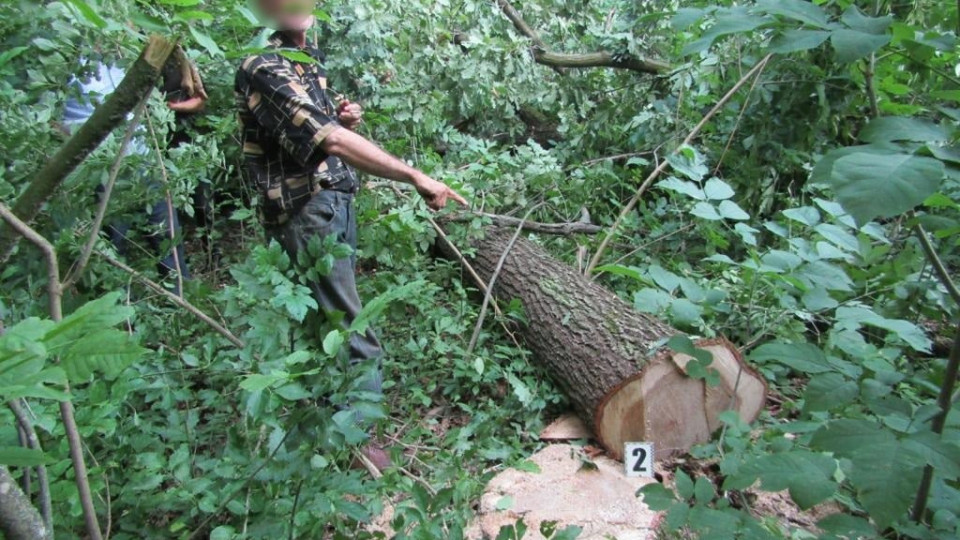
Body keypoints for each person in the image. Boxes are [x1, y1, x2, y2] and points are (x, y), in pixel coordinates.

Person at [236, 0, 468, 470]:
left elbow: (320, 137)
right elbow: (331, 143)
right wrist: (415, 176)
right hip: (307, 212)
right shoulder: (262, 66)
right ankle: (358, 446)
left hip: (333, 201)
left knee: (330, 320)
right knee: (351, 328)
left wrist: (341, 120)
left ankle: (329, 423)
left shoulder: (307, 62)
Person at [64, 58, 193, 295]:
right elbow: (55, 120)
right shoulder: (68, 63)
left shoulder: (125, 55)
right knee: (114, 243)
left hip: (145, 160)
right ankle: (121, 309)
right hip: (101, 170)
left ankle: (182, 300)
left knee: (168, 235)